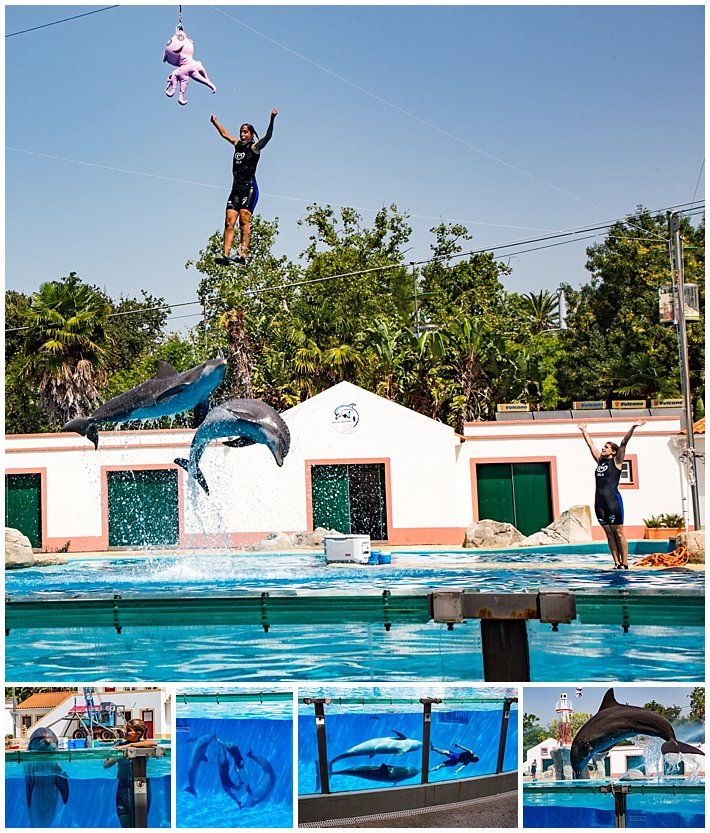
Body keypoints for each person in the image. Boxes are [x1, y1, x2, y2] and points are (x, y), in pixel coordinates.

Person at [211, 108, 278, 267]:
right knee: (228, 222)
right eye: (241, 131)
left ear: (251, 135)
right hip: (235, 189)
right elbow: (225, 134)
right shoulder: (237, 145)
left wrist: (272, 119)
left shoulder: (255, 148)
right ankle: (226, 256)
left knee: (243, 221)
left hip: (250, 188)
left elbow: (268, 137)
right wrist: (215, 122)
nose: (242, 134)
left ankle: (242, 255)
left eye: (246, 132)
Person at [578, 420, 646, 568]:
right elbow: (591, 445)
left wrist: (633, 427)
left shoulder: (617, 462)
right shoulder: (600, 461)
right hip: (600, 503)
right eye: (604, 446)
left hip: (613, 502)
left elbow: (624, 442)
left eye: (606, 447)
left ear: (613, 452)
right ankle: (616, 563)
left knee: (619, 533)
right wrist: (583, 430)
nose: (603, 448)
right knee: (609, 533)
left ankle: (625, 562)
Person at [104, 719, 157, 828]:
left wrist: (129, 746)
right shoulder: (118, 745)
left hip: (141, 786)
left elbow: (154, 743)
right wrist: (119, 752)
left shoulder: (143, 745)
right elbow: (106, 764)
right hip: (124, 788)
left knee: (141, 825)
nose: (125, 732)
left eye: (128, 730)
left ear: (138, 734)